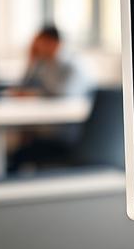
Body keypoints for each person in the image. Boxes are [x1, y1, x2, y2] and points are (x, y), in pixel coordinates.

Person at [8, 24, 91, 171]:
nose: (38, 46)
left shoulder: (73, 65)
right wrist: (31, 60)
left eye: (41, 42)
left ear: (54, 42)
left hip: (66, 136)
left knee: (18, 154)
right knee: (15, 148)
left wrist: (34, 94)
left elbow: (64, 94)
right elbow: (24, 86)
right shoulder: (44, 64)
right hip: (45, 131)